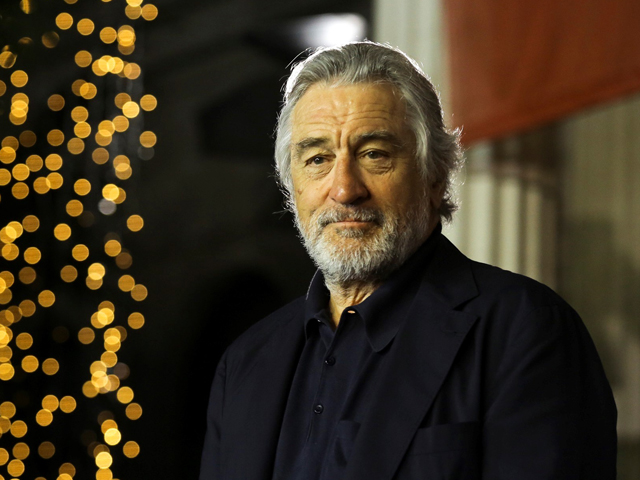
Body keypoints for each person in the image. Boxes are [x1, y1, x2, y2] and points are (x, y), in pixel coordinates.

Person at [199, 41, 617, 480]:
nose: (344, 190)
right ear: (293, 185)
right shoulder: (243, 363)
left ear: (435, 176)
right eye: (318, 159)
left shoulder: (524, 330)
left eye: (374, 154)